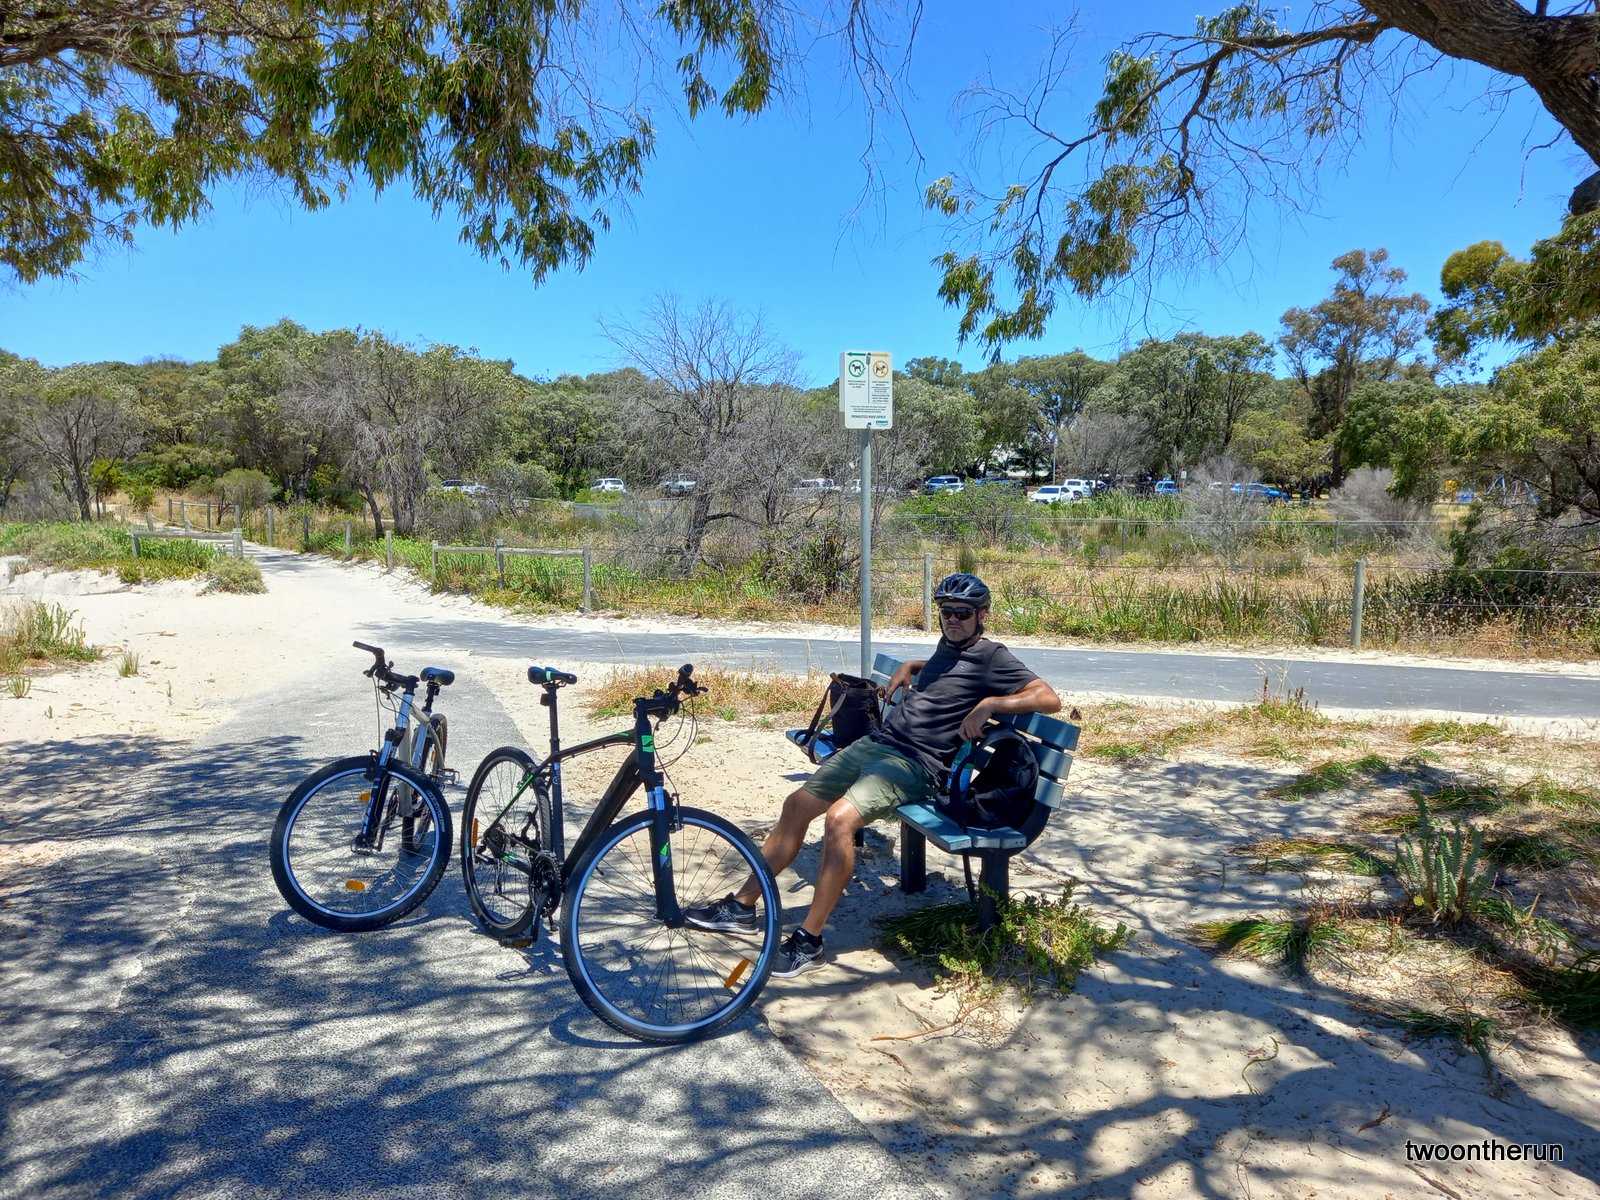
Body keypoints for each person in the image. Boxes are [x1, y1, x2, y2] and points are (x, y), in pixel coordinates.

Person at [684, 572, 1061, 977]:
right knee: (795, 805)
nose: (952, 619)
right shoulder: (948, 645)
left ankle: (810, 942)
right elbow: (945, 672)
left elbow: (1048, 698)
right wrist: (912, 666)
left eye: (963, 613)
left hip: (915, 764)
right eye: (946, 612)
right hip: (878, 744)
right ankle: (742, 907)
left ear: (982, 614)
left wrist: (990, 704)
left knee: (839, 820)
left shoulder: (993, 656)